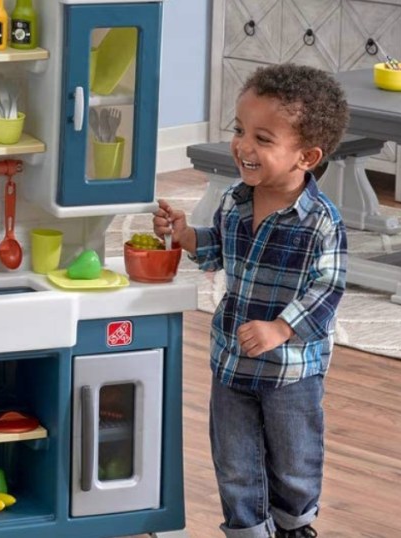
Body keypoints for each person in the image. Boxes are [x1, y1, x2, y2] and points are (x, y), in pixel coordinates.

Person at [154, 63, 349, 538]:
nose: (244, 145)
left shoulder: (320, 221)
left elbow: (329, 287)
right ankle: (246, 531)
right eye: (240, 130)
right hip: (232, 362)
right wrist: (183, 235)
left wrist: (281, 328)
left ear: (306, 156)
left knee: (294, 460)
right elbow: (218, 248)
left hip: (290, 371)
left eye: (263, 138)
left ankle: (295, 527)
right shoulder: (235, 201)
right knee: (235, 462)